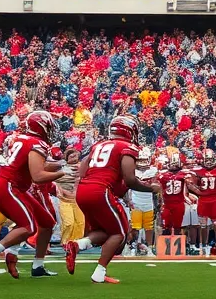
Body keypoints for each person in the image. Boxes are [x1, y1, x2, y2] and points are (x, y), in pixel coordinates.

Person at [65, 115, 157, 284]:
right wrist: (150, 188)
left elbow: (83, 171)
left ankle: (77, 245)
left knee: (106, 231)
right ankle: (99, 273)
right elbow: (129, 179)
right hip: (100, 190)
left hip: (84, 190)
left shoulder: (98, 145)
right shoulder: (126, 146)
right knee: (119, 233)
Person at [0, 110, 70, 278]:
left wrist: (59, 166)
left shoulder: (21, 138)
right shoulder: (37, 143)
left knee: (47, 222)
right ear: (41, 127)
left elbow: (34, 166)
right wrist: (63, 173)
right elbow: (38, 176)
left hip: (12, 186)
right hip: (9, 186)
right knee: (28, 227)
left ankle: (37, 265)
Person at [194, 148, 216, 255]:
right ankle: (204, 246)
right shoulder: (198, 171)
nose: (208, 162)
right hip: (203, 200)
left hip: (215, 199)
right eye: (206, 159)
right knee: (203, 225)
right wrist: (196, 193)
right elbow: (193, 184)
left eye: (210, 159)